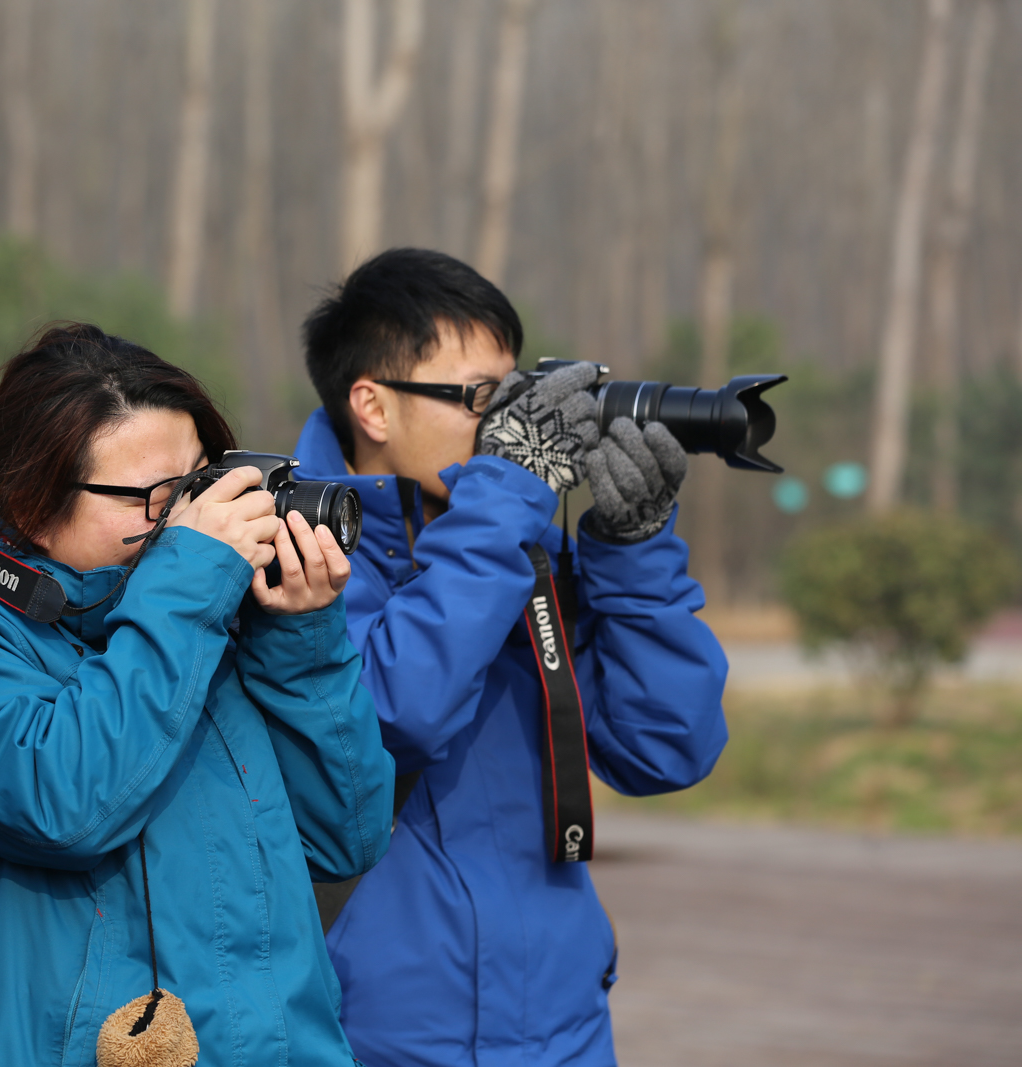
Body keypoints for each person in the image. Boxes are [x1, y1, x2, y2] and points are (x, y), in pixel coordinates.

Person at [0, 323, 394, 1066]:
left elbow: (348, 837)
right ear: (33, 497)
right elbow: (70, 805)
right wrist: (187, 589)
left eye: (200, 482)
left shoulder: (206, 609)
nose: (184, 518)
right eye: (154, 496)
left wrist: (299, 642)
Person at [293, 249, 729, 1066]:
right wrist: (506, 497)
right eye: (479, 399)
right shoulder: (295, 552)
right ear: (373, 406)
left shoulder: (514, 543)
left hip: (561, 1032)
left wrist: (631, 550)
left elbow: (667, 748)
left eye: (515, 395)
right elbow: (392, 717)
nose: (509, 428)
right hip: (372, 1038)